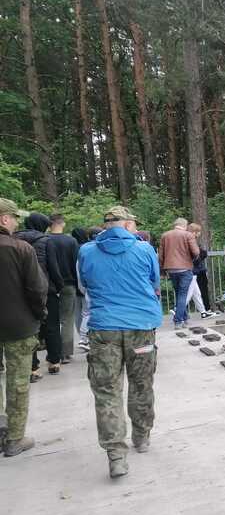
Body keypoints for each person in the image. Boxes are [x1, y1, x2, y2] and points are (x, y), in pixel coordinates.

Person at [78, 205, 161, 479]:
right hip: (141, 328)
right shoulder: (145, 249)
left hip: (104, 330)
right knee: (141, 382)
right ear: (126, 225)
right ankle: (142, 436)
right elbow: (154, 282)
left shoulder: (86, 251)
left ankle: (116, 456)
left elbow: (84, 286)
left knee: (107, 392)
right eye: (134, 224)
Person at [0, 198, 47, 457]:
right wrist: (40, 316)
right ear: (4, 219)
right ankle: (14, 438)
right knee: (18, 382)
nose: (17, 222)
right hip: (18, 326)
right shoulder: (20, 249)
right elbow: (36, 289)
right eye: (14, 217)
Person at [16, 212, 58, 379]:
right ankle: (54, 360)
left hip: (21, 291)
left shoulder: (15, 239)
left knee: (29, 329)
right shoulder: (47, 240)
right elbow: (53, 267)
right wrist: (58, 286)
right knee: (52, 325)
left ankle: (32, 367)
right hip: (46, 289)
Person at [46, 214, 79, 366]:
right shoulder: (71, 241)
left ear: (49, 224)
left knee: (51, 320)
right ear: (63, 224)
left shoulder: (45, 240)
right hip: (69, 284)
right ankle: (65, 353)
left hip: (50, 285)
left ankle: (52, 352)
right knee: (67, 319)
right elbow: (75, 264)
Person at [158, 217, 199, 328]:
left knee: (179, 293)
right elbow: (196, 252)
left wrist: (162, 270)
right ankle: (178, 320)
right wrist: (192, 259)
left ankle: (184, 318)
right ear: (184, 226)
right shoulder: (188, 235)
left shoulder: (165, 236)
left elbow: (160, 256)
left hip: (171, 269)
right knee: (183, 294)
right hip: (185, 268)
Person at [72, 227, 92, 351]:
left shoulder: (73, 247)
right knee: (86, 312)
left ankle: (82, 336)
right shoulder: (88, 249)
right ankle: (84, 338)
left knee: (77, 313)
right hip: (83, 285)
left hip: (72, 284)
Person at [188, 223, 213, 312]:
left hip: (197, 269)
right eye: (198, 232)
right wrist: (202, 254)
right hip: (197, 270)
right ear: (195, 232)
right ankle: (177, 309)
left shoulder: (191, 241)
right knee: (198, 291)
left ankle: (205, 310)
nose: (199, 234)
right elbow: (197, 255)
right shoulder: (191, 241)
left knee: (197, 293)